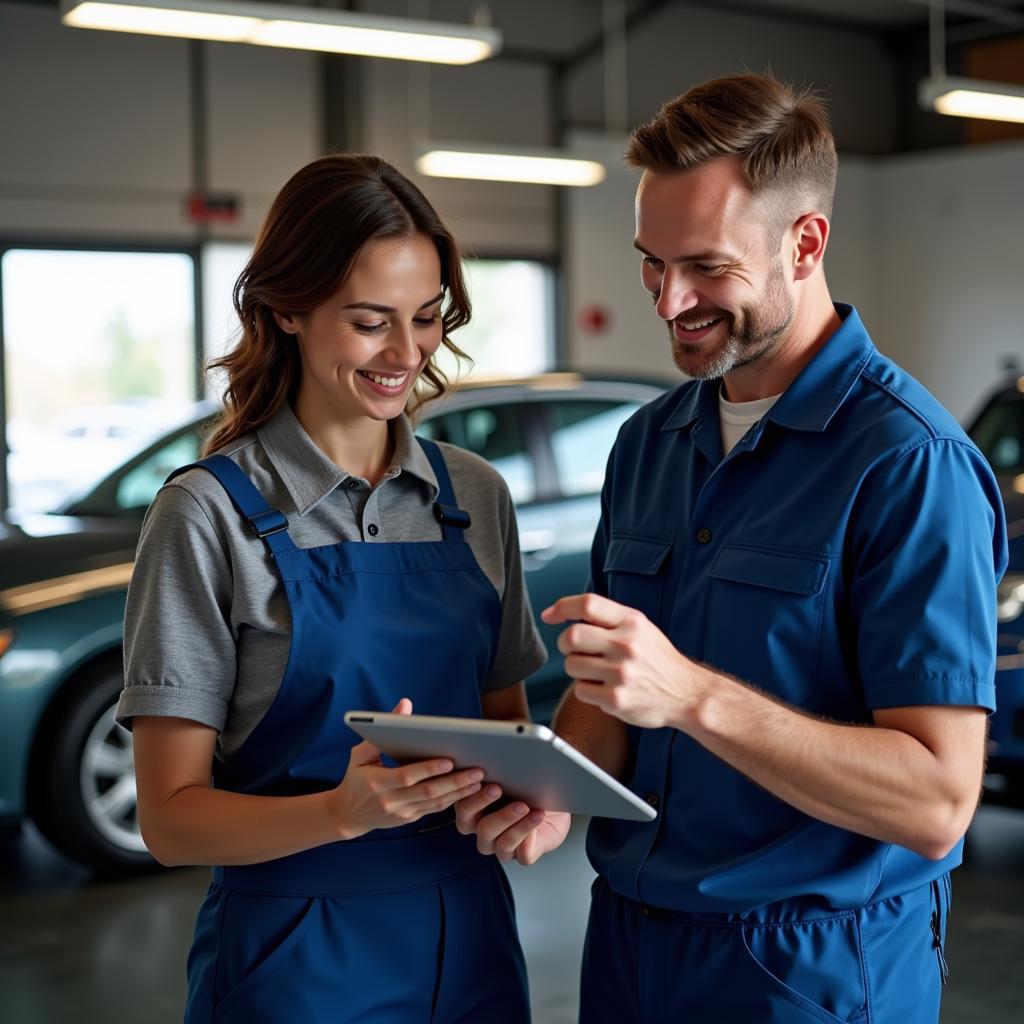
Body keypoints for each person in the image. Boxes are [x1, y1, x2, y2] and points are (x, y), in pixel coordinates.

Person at [531, 73, 1003, 1021]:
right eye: (650, 264)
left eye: (705, 267)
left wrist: (694, 695)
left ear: (806, 242)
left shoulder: (910, 465)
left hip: (807, 966)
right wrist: (545, 784)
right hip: (629, 941)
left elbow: (936, 798)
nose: (668, 304)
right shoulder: (645, 445)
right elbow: (615, 705)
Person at [118, 153, 567, 1024]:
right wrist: (340, 812)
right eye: (370, 323)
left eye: (428, 318)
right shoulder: (206, 515)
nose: (407, 354)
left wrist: (536, 791)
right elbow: (170, 821)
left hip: (469, 938)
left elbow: (503, 729)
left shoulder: (474, 496)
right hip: (296, 959)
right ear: (287, 308)